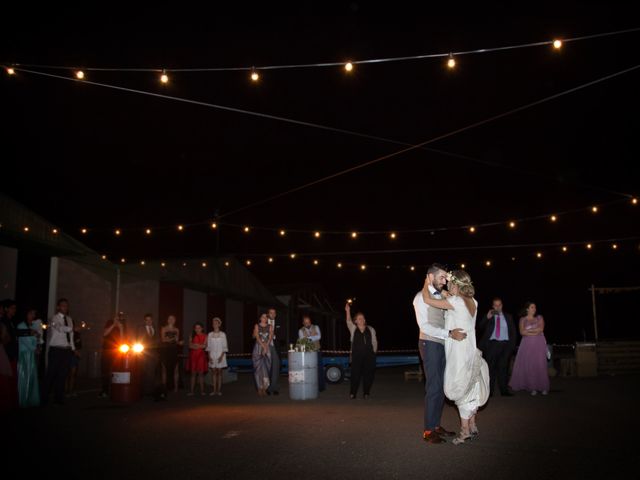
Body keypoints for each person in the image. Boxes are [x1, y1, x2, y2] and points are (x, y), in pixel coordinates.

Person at [422, 270, 490, 445]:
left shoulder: (455, 301)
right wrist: (447, 292)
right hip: (470, 348)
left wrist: (426, 283)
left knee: (460, 387)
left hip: (458, 351)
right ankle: (473, 425)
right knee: (471, 385)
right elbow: (450, 298)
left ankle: (465, 431)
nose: (448, 285)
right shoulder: (472, 301)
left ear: (456, 285)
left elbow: (427, 300)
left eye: (451, 283)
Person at [413, 264, 466, 444]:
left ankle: (435, 425)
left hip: (442, 345)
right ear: (430, 277)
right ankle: (428, 430)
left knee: (441, 387)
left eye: (446, 278)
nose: (444, 281)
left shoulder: (441, 296)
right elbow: (425, 326)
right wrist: (450, 334)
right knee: (434, 387)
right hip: (429, 343)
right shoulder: (420, 297)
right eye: (441, 277)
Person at [509, 302, 550, 396]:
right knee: (531, 365)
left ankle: (543, 387)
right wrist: (534, 332)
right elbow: (522, 332)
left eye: (535, 307)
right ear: (527, 309)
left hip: (539, 344)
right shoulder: (522, 319)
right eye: (532, 307)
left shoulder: (539, 318)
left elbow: (541, 330)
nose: (534, 309)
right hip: (527, 345)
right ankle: (533, 387)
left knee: (541, 364)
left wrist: (529, 331)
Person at [478, 297, 516, 397]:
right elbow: (480, 327)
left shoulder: (508, 317)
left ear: (502, 305)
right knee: (491, 368)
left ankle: (504, 391)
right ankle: (489, 392)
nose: (497, 307)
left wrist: (511, 347)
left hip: (505, 345)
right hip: (492, 345)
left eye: (499, 305)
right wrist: (487, 317)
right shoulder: (490, 316)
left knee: (503, 368)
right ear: (493, 306)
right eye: (495, 305)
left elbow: (513, 333)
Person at [41, 298, 75, 406]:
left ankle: (58, 398)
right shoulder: (53, 318)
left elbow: (71, 336)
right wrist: (72, 329)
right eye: (63, 305)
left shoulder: (69, 319)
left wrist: (72, 349)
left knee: (62, 374)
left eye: (66, 305)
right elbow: (60, 328)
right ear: (58, 307)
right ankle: (44, 398)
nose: (65, 307)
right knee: (51, 373)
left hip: (66, 350)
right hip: (56, 350)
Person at [345, 302, 377, 399]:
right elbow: (348, 321)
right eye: (359, 318)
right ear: (356, 321)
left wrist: (374, 352)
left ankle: (366, 392)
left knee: (368, 375)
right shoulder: (353, 329)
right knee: (355, 375)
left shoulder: (371, 329)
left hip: (369, 356)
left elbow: (374, 341)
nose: (361, 319)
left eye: (362, 318)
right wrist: (348, 311)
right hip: (356, 356)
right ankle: (353, 393)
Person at [17, 308, 41, 407]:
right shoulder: (21, 326)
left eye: (34, 314)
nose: (33, 316)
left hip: (31, 354)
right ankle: (23, 399)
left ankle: (31, 399)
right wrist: (34, 348)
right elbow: (24, 341)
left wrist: (37, 341)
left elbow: (35, 340)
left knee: (32, 377)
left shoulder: (34, 326)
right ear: (26, 314)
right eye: (31, 313)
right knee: (24, 377)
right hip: (25, 354)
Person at [99, 312, 125, 398]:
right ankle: (105, 390)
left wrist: (121, 328)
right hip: (107, 350)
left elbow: (122, 340)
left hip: (116, 351)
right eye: (118, 316)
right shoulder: (110, 322)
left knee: (116, 371)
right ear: (114, 317)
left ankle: (115, 390)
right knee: (105, 371)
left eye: (120, 317)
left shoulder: (122, 325)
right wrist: (114, 324)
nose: (119, 318)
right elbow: (105, 334)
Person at [136, 314, 161, 398]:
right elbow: (138, 339)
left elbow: (157, 341)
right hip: (144, 353)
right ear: (144, 321)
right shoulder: (140, 329)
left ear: (152, 320)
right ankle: (143, 391)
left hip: (153, 354)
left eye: (150, 320)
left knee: (152, 372)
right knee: (144, 372)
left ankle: (150, 391)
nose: (149, 321)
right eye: (147, 320)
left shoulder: (155, 329)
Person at [298, 314, 325, 392]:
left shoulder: (316, 327)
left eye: (309, 322)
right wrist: (312, 336)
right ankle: (309, 387)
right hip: (307, 353)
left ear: (310, 322)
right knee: (309, 370)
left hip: (317, 351)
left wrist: (308, 337)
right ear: (303, 323)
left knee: (319, 369)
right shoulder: (300, 330)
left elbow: (319, 337)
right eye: (306, 323)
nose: (308, 324)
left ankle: (321, 387)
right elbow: (303, 340)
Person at [0, 299, 18, 409]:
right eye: (12, 308)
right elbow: (5, 338)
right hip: (6, 353)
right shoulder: (4, 321)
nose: (14, 310)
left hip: (10, 353)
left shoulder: (10, 321)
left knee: (10, 379)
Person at [160, 315, 183, 394]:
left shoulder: (177, 329)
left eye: (173, 318)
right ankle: (164, 388)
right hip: (165, 350)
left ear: (175, 320)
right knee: (164, 369)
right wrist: (172, 339)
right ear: (167, 320)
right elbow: (163, 339)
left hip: (174, 350)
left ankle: (176, 388)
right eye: (169, 318)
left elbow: (176, 341)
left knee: (176, 369)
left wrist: (179, 342)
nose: (171, 320)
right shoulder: (164, 328)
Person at [252, 313, 273, 396]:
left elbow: (270, 337)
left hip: (267, 348)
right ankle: (259, 388)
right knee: (258, 369)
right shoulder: (257, 326)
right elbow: (256, 336)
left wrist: (266, 346)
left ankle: (264, 388)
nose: (265, 318)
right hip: (258, 348)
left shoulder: (270, 326)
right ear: (260, 318)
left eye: (266, 317)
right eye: (263, 317)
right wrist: (262, 346)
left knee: (266, 369)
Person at [206, 317, 228, 396]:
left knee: (219, 372)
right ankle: (214, 390)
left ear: (219, 324)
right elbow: (208, 346)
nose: (215, 324)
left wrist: (221, 357)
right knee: (214, 372)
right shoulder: (210, 334)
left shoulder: (223, 334)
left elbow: (225, 346)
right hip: (212, 355)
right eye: (213, 323)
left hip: (220, 355)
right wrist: (209, 356)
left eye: (216, 323)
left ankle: (218, 390)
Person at [187, 322, 207, 396]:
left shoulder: (205, 336)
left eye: (199, 328)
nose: (197, 329)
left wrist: (196, 345)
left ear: (202, 328)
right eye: (196, 328)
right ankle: (191, 391)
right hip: (193, 356)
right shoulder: (191, 335)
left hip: (201, 356)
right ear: (194, 329)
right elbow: (190, 346)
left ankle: (202, 391)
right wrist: (199, 346)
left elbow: (205, 346)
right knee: (193, 374)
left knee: (201, 374)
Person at [66, 316, 82, 398]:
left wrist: (78, 352)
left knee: (73, 373)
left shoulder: (77, 333)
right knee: (68, 373)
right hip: (69, 354)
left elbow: (79, 344)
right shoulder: (67, 333)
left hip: (75, 355)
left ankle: (71, 390)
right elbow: (69, 343)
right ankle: (67, 391)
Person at [266, 308, 280, 395]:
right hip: (266, 347)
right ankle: (267, 387)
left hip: (275, 347)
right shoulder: (263, 322)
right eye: (271, 313)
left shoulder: (279, 323)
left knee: (275, 368)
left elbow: (282, 335)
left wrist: (274, 336)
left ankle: (274, 387)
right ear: (268, 314)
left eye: (274, 313)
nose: (273, 314)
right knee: (267, 368)